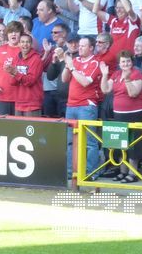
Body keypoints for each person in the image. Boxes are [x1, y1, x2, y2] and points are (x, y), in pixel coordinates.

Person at [100, 51, 142, 183]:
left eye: (128, 61)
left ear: (132, 62)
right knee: (120, 143)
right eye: (123, 61)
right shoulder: (116, 74)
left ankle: (133, 173)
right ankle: (123, 171)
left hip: (135, 113)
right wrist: (104, 75)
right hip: (119, 114)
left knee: (133, 145)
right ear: (119, 63)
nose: (126, 64)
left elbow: (133, 93)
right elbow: (105, 89)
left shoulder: (137, 74)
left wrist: (127, 79)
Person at [62, 36, 102, 180]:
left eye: (83, 46)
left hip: (86, 106)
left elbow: (85, 82)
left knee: (90, 142)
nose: (80, 48)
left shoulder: (95, 63)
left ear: (91, 48)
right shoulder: (75, 61)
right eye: (79, 46)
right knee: (70, 141)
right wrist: (67, 65)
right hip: (71, 105)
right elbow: (64, 79)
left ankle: (91, 173)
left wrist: (71, 67)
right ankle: (71, 172)